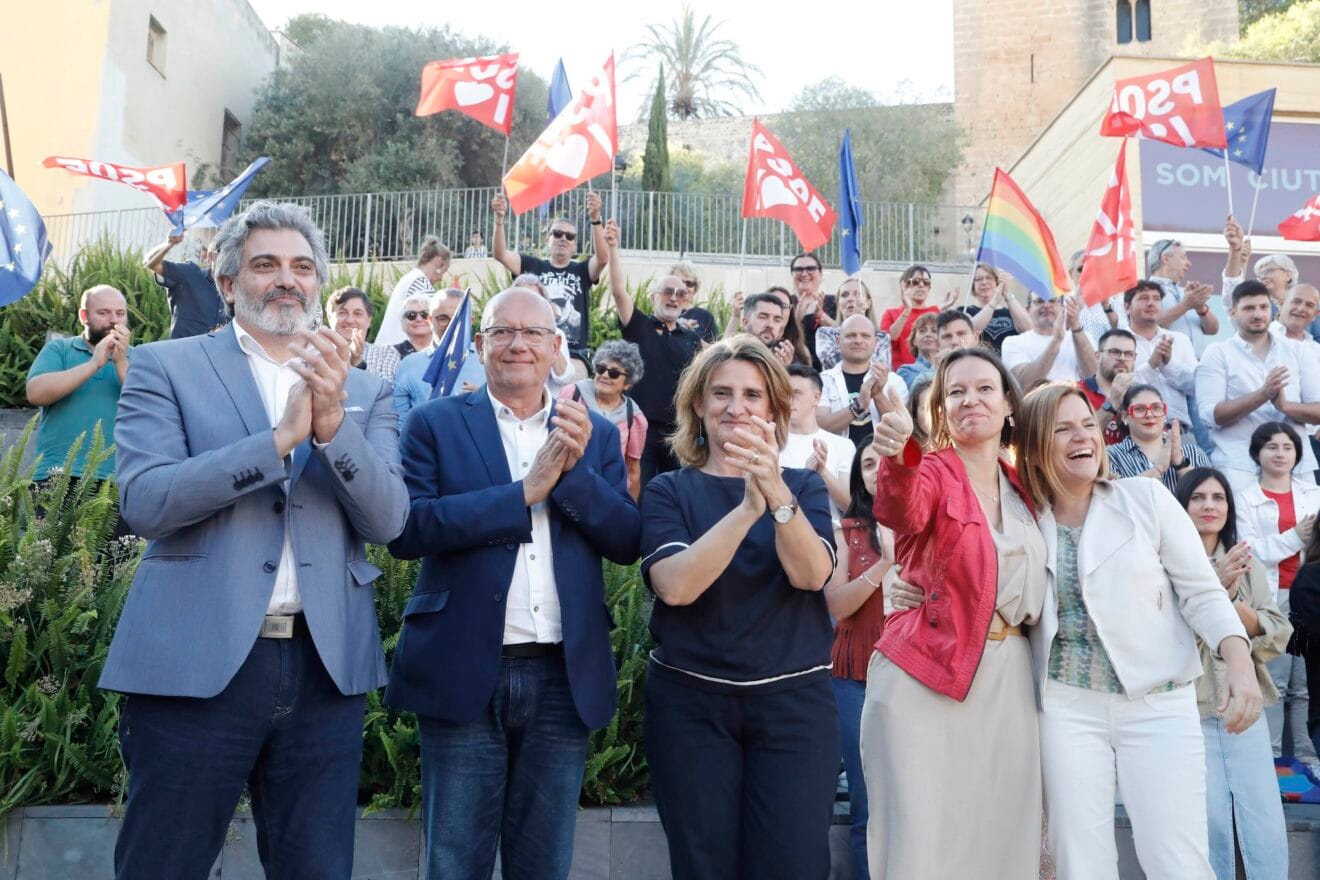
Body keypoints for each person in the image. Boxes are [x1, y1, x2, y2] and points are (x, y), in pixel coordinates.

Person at [101, 201, 410, 878]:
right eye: (265, 264)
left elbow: (389, 521)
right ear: (226, 281)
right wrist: (277, 442)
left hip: (324, 670)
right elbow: (146, 501)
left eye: (302, 267)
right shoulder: (164, 366)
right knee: (164, 864)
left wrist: (331, 428)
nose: (285, 279)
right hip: (192, 662)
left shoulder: (363, 392)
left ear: (319, 284)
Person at [385, 288, 641, 880]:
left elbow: (628, 542)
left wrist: (570, 475)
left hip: (562, 674)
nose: (517, 344)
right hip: (461, 665)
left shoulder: (594, 434)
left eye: (533, 333)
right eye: (502, 332)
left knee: (544, 862)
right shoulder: (433, 424)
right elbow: (407, 529)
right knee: (453, 862)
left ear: (557, 348)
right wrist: (523, 494)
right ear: (480, 345)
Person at [1015, 383, 1258, 879]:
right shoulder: (1021, 521)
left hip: (1159, 703)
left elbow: (1202, 592)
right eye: (1062, 428)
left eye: (1087, 424)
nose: (1082, 436)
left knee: (1177, 860)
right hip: (1065, 707)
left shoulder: (1146, 497)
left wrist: (1238, 662)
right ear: (1037, 447)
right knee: (1079, 862)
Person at [640, 336, 838, 880]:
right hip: (691, 708)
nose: (737, 406)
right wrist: (748, 509)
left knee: (795, 864)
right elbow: (675, 587)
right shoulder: (668, 491)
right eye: (721, 393)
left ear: (773, 409)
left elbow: (812, 574)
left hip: (794, 709)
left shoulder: (803, 489)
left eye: (753, 395)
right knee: (703, 865)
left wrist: (774, 497)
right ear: (698, 405)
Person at [861, 346, 1044, 879]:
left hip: (1008, 679)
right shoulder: (933, 470)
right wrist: (898, 455)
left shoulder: (1024, 487)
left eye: (985, 388)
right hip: (924, 672)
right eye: (956, 391)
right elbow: (904, 509)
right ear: (939, 409)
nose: (971, 400)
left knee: (1001, 839)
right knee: (922, 842)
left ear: (1009, 403)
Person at [1175, 467, 1292, 880]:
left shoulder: (1248, 564)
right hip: (1189, 707)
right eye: (1199, 498)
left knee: (1261, 815)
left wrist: (1228, 602)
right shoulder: (1163, 563)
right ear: (1182, 506)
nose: (1209, 505)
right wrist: (1212, 586)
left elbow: (1277, 630)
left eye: (1218, 497)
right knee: (1204, 820)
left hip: (1246, 708)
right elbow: (1167, 635)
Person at [825, 439, 895, 880]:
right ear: (859, 476)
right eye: (868, 463)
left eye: (886, 462)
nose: (877, 470)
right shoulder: (844, 529)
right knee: (867, 803)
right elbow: (839, 605)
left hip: (916, 674)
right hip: (856, 676)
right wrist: (886, 563)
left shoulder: (927, 525)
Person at [1235, 421, 1320, 774]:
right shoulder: (1245, 497)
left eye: (1287, 447)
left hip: (1309, 598)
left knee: (1305, 682)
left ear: (1297, 454)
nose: (1280, 453)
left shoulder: (1312, 492)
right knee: (1276, 680)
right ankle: (1269, 760)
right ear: (1258, 453)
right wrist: (1294, 537)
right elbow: (1248, 551)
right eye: (1272, 447)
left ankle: (1307, 758)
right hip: (1271, 599)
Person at [1196, 281, 1320, 492]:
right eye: (1249, 308)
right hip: (1239, 464)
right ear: (1232, 312)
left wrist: (1285, 407)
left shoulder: (1299, 351)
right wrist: (1262, 394)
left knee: (1305, 525)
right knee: (1244, 526)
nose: (1258, 314)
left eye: (1263, 307)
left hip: (1296, 464)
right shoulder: (1218, 352)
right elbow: (1210, 415)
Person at [607, 224, 702, 485]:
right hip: (640, 426)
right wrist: (613, 248)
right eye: (668, 291)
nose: (674, 298)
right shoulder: (639, 326)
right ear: (653, 297)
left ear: (687, 301)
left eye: (681, 293)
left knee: (679, 490)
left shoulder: (692, 339)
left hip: (679, 431)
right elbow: (618, 291)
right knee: (639, 490)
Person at [26, 285, 132, 485]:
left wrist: (121, 362)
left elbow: (148, 407)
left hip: (118, 477)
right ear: (84, 316)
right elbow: (35, 393)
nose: (114, 320)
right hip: (56, 473)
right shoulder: (60, 349)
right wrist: (94, 364)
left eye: (120, 313)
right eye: (103, 312)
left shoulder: (138, 357)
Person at [492, 190, 608, 364]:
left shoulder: (582, 270)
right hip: (535, 350)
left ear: (574, 244)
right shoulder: (532, 266)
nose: (563, 238)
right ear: (548, 239)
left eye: (569, 236)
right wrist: (499, 219)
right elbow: (500, 254)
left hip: (574, 355)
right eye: (557, 233)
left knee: (571, 389)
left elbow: (603, 258)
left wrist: (596, 219)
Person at [557, 340, 648, 500]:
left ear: (627, 384)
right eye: (601, 369)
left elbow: (633, 470)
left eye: (614, 373)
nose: (605, 375)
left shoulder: (634, 417)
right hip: (566, 484)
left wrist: (630, 512)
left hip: (608, 493)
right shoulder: (573, 394)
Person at [781, 364, 858, 521]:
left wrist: (822, 473)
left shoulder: (843, 445)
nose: (788, 399)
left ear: (816, 398)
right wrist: (806, 478)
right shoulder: (770, 443)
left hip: (831, 538)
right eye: (784, 393)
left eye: (796, 393)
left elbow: (850, 506)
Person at [818, 315, 908, 447]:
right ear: (838, 342)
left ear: (875, 343)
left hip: (881, 461)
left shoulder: (894, 381)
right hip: (837, 463)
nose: (858, 341)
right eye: (850, 335)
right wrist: (858, 405)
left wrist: (878, 396)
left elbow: (901, 428)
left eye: (865, 336)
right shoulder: (823, 380)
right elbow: (821, 426)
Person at [1122, 280, 1198, 433]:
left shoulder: (1179, 340)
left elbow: (1197, 386)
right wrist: (1151, 365)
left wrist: (1169, 364)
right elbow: (1119, 389)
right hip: (1134, 432)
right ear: (1127, 307)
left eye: (1156, 298)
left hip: (1178, 430)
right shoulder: (1118, 342)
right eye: (1143, 298)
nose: (1151, 303)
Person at [1106, 383, 1209, 494]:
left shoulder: (1193, 452)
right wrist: (1158, 469)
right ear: (1125, 416)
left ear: (1164, 413)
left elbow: (1211, 497)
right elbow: (1117, 499)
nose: (1149, 414)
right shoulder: (1110, 456)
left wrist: (1180, 463)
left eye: (1156, 408)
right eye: (1139, 409)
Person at [392, 288, 467, 427]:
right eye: (443, 318)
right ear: (431, 320)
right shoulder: (409, 364)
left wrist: (484, 399)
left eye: (459, 317)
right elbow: (400, 424)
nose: (452, 324)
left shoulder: (488, 358)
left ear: (470, 320)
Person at [143, 231, 228, 338]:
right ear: (210, 256)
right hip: (181, 352)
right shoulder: (189, 274)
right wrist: (169, 244)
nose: (229, 258)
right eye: (224, 252)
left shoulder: (239, 290)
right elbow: (151, 263)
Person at [1001, 293, 1097, 386]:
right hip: (1036, 402)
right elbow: (1026, 382)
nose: (1046, 305)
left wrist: (1076, 328)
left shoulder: (1083, 336)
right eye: (1039, 301)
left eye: (1052, 301)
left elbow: (1094, 376)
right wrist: (1056, 341)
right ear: (1028, 310)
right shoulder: (1013, 342)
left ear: (1062, 307)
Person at [1147, 238, 1219, 357]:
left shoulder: (1186, 293)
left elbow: (1213, 330)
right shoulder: (1146, 292)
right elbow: (1148, 326)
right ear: (1166, 258)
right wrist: (1186, 305)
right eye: (1183, 257)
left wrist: (1201, 308)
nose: (1188, 263)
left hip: (1197, 368)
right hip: (1166, 370)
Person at [376, 236, 450, 346]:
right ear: (439, 262)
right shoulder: (420, 283)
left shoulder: (411, 278)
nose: (441, 278)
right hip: (399, 352)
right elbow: (434, 321)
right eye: (444, 271)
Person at [879, 264, 954, 368]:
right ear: (904, 285)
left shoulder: (936, 312)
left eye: (926, 282)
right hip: (902, 376)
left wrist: (943, 312)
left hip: (933, 374)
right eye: (915, 281)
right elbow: (888, 342)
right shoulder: (891, 313)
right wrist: (906, 311)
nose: (921, 285)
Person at [816, 276, 891, 371]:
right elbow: (831, 362)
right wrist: (854, 321)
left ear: (868, 303)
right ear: (838, 304)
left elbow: (882, 369)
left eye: (857, 294)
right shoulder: (826, 333)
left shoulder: (882, 337)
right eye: (844, 295)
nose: (850, 299)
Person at [326, 286, 400, 382]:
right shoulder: (315, 354)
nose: (349, 320)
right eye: (342, 312)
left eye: (357, 314)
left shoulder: (386, 355)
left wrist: (357, 363)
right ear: (329, 317)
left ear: (369, 321)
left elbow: (384, 394)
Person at [1079, 327, 1137, 445]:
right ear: (1097, 356)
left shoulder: (1141, 395)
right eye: (1114, 352)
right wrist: (1113, 402)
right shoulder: (1076, 393)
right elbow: (1082, 439)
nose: (1122, 358)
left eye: (1129, 354)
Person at [958, 262, 1030, 353]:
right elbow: (969, 331)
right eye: (979, 279)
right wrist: (994, 301)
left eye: (989, 277)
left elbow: (1029, 330)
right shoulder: (964, 311)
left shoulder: (1011, 313)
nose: (984, 282)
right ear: (973, 285)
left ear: (997, 282)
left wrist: (1007, 293)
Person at [1074, 250, 1130, 343]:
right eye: (1081, 269)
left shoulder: (1115, 302)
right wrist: (1076, 308)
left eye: (1092, 269)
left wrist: (1107, 307)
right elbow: (1059, 333)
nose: (1087, 274)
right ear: (1071, 273)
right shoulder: (1062, 303)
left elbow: (1124, 334)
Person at [741, 291, 802, 366]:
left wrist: (782, 371)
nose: (770, 325)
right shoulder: (730, 360)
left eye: (777, 320)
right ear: (745, 323)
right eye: (763, 317)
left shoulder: (787, 364)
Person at [669, 260, 718, 343]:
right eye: (679, 282)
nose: (684, 287)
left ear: (695, 287)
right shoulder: (663, 311)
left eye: (689, 283)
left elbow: (714, 351)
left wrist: (691, 336)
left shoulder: (705, 316)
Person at [895, 312, 938, 389]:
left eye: (934, 331)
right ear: (914, 340)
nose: (928, 334)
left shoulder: (951, 367)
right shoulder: (905, 371)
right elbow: (920, 389)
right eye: (922, 331)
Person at [393, 292, 438, 360]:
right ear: (403, 323)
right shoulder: (393, 353)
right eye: (411, 315)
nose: (419, 319)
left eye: (425, 314)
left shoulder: (446, 351)